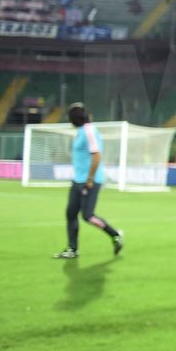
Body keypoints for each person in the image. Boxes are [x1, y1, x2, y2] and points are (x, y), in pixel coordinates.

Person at [51, 103, 124, 259]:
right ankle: (72, 249)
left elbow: (96, 155)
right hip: (78, 180)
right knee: (71, 214)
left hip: (89, 181)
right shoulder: (81, 131)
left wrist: (90, 178)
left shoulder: (89, 131)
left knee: (88, 215)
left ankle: (115, 234)